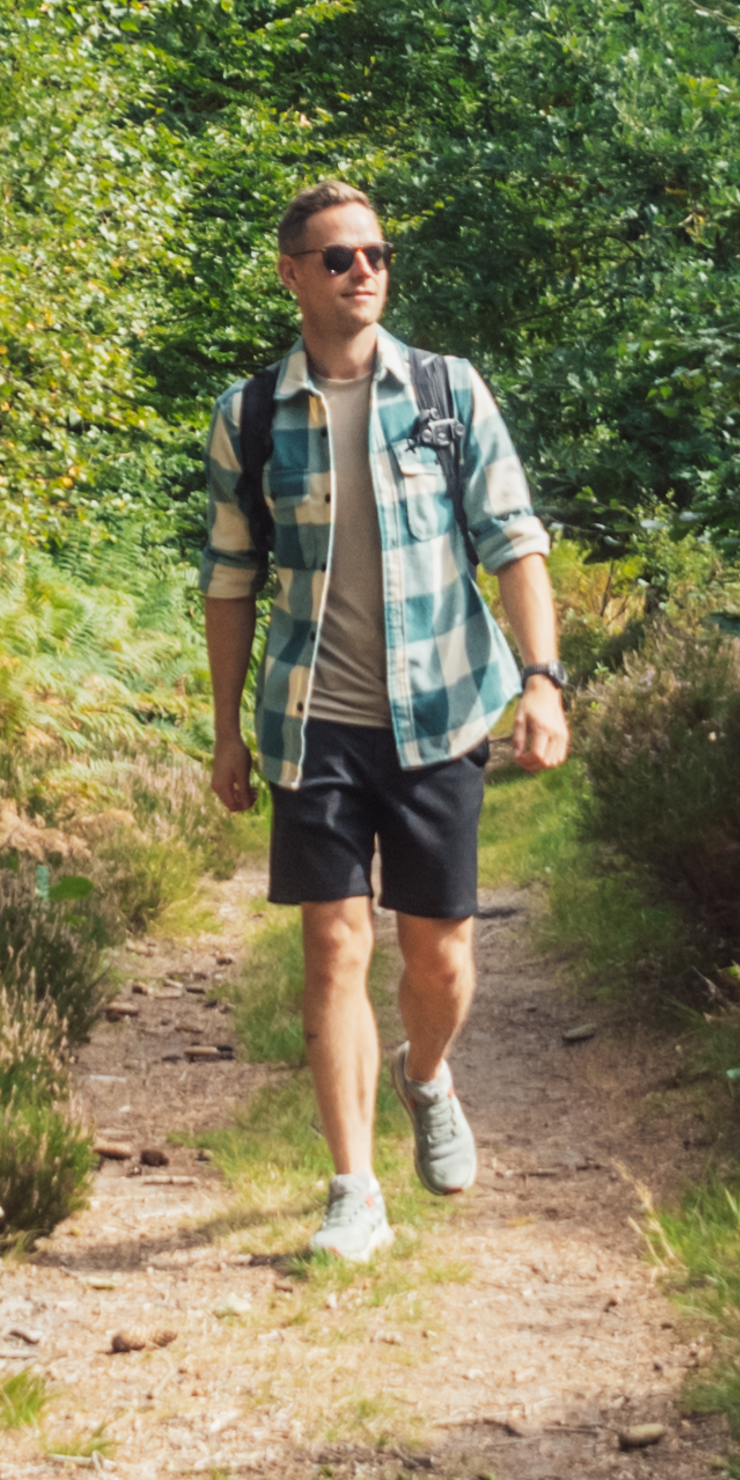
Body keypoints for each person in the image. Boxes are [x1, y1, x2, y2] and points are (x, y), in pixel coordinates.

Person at [201, 182, 570, 1266]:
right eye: (337, 256)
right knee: (332, 945)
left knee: (440, 960)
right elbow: (229, 577)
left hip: (443, 708)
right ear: (292, 275)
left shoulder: (449, 394)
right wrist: (226, 731)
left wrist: (541, 681)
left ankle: (426, 1075)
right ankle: (353, 1187)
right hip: (313, 720)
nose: (363, 269)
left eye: (376, 253)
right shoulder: (253, 414)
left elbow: (515, 539)